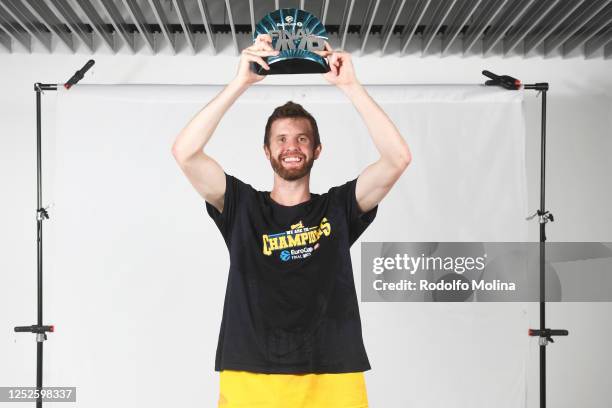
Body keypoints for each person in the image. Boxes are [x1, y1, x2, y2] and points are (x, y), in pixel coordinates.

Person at [171, 34, 412, 408]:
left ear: (316, 150)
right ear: (267, 151)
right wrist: (240, 83)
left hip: (332, 374)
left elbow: (397, 159)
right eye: (281, 139)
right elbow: (185, 152)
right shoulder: (241, 207)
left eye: (302, 139)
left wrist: (351, 86)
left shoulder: (339, 208)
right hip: (251, 373)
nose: (292, 146)